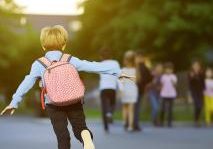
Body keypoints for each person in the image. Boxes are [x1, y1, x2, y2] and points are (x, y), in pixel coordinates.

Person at [0, 25, 133, 149]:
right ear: (64, 45)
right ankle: (85, 136)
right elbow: (93, 66)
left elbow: (27, 82)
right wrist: (118, 72)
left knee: (62, 136)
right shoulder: (70, 59)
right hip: (74, 100)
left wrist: (14, 102)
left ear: (43, 45)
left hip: (53, 104)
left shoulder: (39, 64)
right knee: (80, 128)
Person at [98, 47, 121, 132]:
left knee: (104, 107)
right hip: (112, 87)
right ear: (111, 56)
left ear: (101, 56)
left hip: (103, 87)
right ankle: (110, 114)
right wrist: (121, 88)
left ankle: (106, 127)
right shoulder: (115, 63)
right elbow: (118, 75)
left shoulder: (100, 64)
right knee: (112, 103)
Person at [134, 50, 153, 131]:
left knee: (133, 107)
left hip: (133, 90)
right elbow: (150, 78)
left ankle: (131, 123)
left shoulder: (134, 67)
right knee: (136, 107)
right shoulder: (145, 67)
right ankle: (135, 124)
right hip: (140, 89)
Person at [120, 51, 138, 132]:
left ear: (125, 60)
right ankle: (130, 126)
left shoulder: (123, 70)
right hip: (133, 90)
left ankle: (124, 122)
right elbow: (137, 81)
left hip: (125, 89)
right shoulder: (136, 70)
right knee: (131, 109)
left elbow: (121, 81)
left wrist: (120, 91)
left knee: (125, 107)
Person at [159, 62, 177, 127]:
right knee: (162, 108)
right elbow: (161, 85)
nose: (168, 70)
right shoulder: (163, 76)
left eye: (170, 69)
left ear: (172, 70)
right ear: (165, 70)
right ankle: (161, 121)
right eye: (167, 69)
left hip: (171, 94)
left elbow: (175, 85)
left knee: (170, 109)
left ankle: (169, 122)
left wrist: (173, 82)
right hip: (164, 94)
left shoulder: (173, 76)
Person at [188, 60, 205, 126]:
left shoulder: (202, 73)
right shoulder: (190, 73)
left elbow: (203, 82)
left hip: (200, 91)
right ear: (192, 66)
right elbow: (190, 83)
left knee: (200, 106)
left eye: (197, 65)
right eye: (195, 65)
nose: (196, 67)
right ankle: (196, 120)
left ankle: (197, 119)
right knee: (197, 104)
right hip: (193, 91)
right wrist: (193, 76)